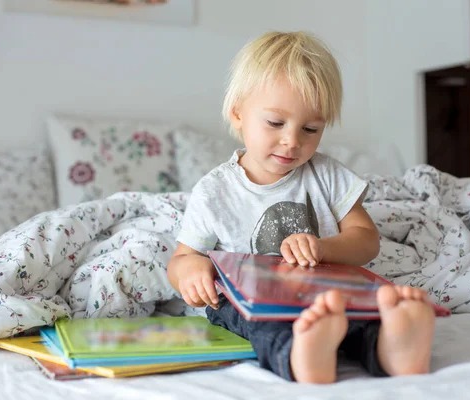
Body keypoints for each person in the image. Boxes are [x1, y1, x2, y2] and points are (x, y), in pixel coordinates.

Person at [167, 31, 436, 384]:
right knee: (249, 320)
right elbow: (181, 259)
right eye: (275, 123)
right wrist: (192, 271)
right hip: (252, 299)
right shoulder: (215, 191)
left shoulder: (326, 174)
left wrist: (323, 247)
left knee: (360, 314)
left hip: (324, 291)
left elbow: (366, 239)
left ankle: (394, 348)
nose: (292, 141)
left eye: (310, 128)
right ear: (238, 115)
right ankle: (302, 356)